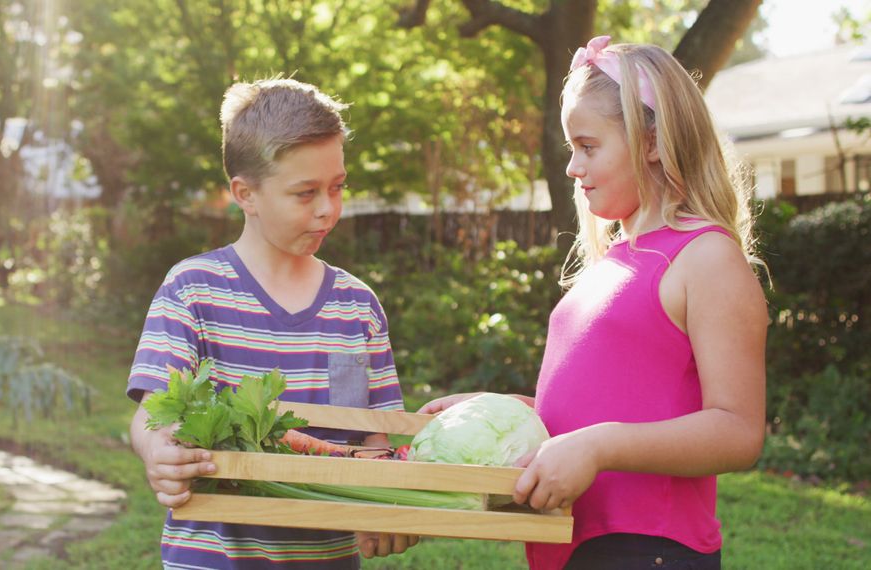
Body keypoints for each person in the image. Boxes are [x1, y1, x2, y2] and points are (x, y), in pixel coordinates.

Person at [419, 36, 767, 570]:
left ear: (652, 141)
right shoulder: (612, 261)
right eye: (570, 149)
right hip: (571, 545)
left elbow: (739, 431)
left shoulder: (705, 257)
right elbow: (605, 403)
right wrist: (508, 409)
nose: (572, 167)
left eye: (588, 146)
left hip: (646, 547)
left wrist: (598, 447)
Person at [126, 77, 418, 569]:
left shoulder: (357, 307)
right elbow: (153, 415)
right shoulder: (192, 290)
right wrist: (158, 452)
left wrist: (386, 506)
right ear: (247, 194)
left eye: (337, 186)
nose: (328, 208)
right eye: (305, 193)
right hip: (213, 558)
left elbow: (375, 439)